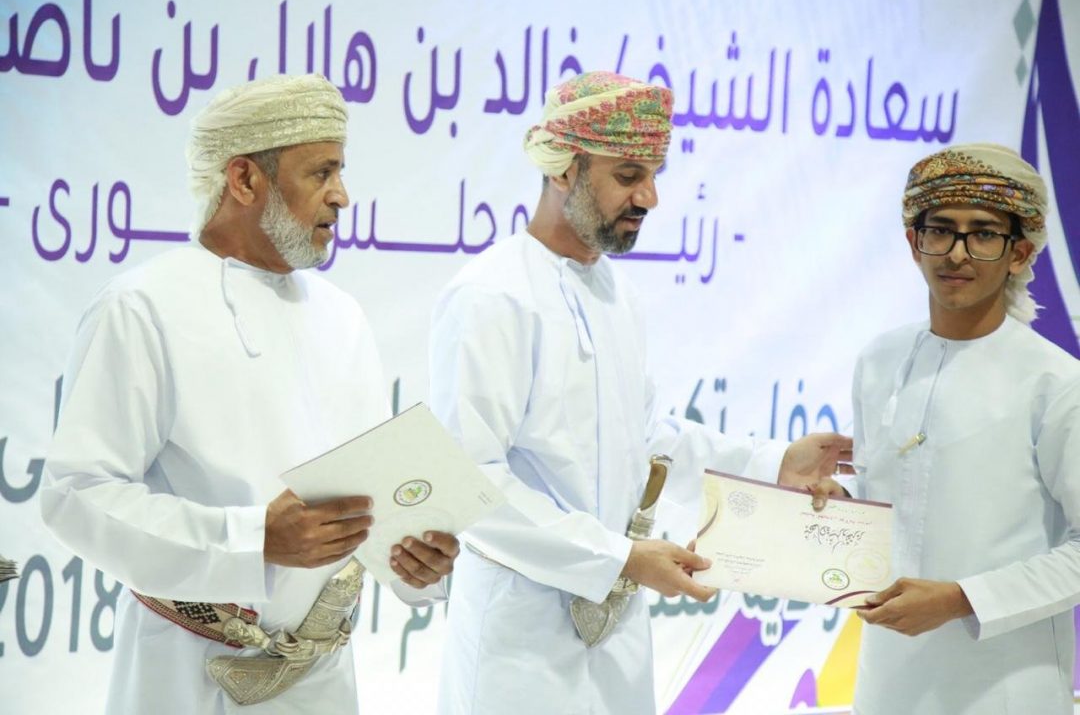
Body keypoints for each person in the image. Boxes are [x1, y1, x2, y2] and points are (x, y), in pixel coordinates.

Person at [429, 71, 851, 715]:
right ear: (564, 168)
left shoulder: (617, 295)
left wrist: (772, 466)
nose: (649, 196)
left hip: (616, 636)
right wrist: (621, 557)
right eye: (628, 175)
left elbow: (646, 440)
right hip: (517, 644)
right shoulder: (491, 295)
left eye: (654, 175)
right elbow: (471, 485)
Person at [40, 74, 459, 715]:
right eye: (321, 173)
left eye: (340, 171)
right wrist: (253, 538)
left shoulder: (342, 315)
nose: (342, 196)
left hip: (325, 679)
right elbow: (76, 495)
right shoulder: (141, 306)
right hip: (188, 676)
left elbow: (371, 498)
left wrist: (415, 560)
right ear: (243, 180)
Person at [847, 143, 1080, 714]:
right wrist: (828, 509)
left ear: (1019, 253)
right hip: (888, 682)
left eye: (983, 234)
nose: (957, 253)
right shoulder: (879, 360)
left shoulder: (1055, 383)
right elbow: (891, 506)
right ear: (913, 242)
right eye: (941, 230)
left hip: (1005, 686)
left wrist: (961, 599)